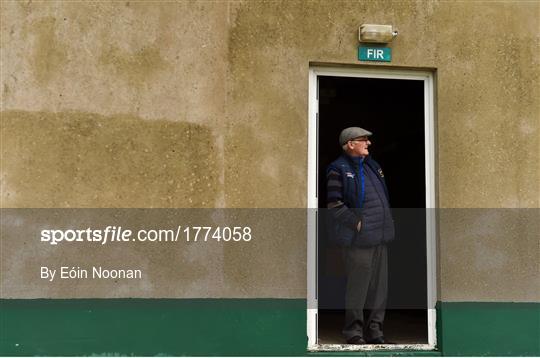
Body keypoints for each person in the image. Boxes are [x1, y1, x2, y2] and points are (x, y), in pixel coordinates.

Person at [326, 126, 395, 345]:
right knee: (358, 288)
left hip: (381, 236)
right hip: (359, 239)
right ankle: (353, 332)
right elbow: (334, 205)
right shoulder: (338, 169)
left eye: (368, 140)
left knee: (379, 289)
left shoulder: (374, 166)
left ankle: (375, 331)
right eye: (363, 140)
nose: (368, 143)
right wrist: (357, 224)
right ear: (350, 144)